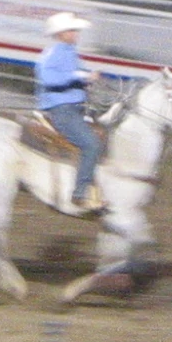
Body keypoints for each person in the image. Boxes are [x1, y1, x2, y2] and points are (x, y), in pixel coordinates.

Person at [33, 11, 105, 215]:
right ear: (61, 33)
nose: (76, 33)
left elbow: (76, 73)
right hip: (61, 109)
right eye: (72, 30)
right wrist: (80, 77)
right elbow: (49, 78)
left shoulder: (69, 52)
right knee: (91, 144)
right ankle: (80, 193)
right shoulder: (54, 53)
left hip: (73, 106)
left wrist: (88, 77)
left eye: (75, 30)